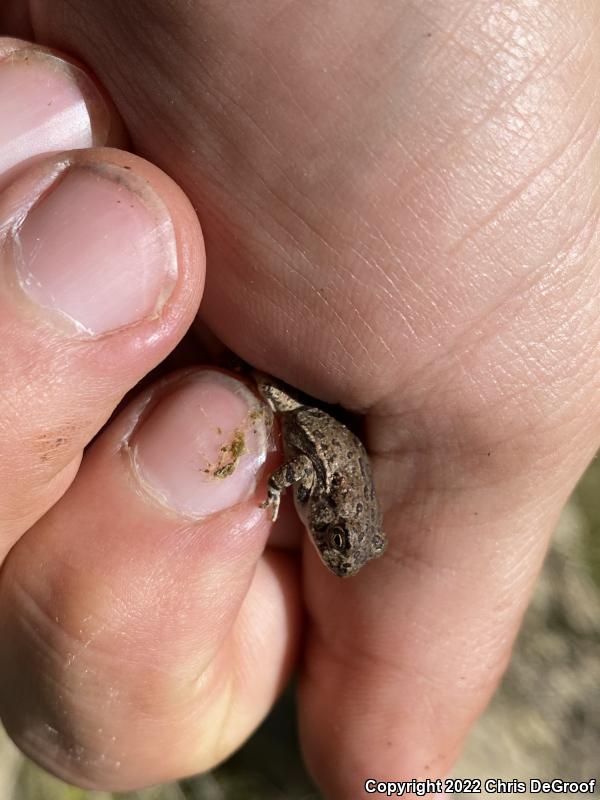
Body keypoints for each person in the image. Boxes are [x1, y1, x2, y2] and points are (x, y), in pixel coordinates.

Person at [0, 3, 598, 797]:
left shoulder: (349, 505)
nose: (339, 558)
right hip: (294, 409)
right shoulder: (330, 502)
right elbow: (310, 461)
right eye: (344, 548)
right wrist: (276, 481)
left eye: (344, 552)